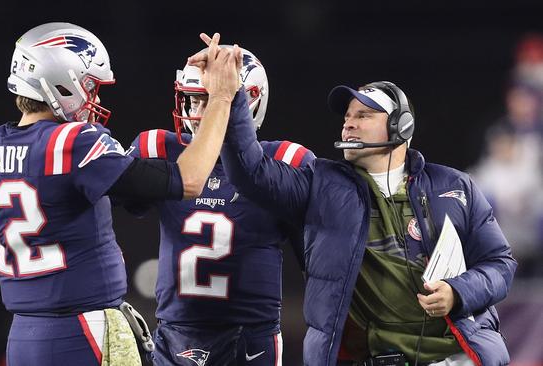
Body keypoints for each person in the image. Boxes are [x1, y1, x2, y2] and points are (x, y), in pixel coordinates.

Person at [189, 38, 516, 365]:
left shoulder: (455, 186)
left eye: (363, 114)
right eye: (347, 115)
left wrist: (459, 292)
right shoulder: (320, 183)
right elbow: (250, 171)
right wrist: (228, 97)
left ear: (400, 126)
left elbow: (500, 264)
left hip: (453, 357)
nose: (349, 122)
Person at [0, 24, 241, 366]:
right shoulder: (71, 143)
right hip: (83, 331)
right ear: (62, 81)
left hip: (22, 336)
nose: (96, 99)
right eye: (91, 87)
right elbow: (189, 180)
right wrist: (221, 97)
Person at [122, 47, 315, 365]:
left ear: (249, 101)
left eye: (208, 99)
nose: (197, 111)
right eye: (192, 99)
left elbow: (317, 261)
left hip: (251, 337)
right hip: (175, 333)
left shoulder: (283, 162)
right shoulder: (159, 149)